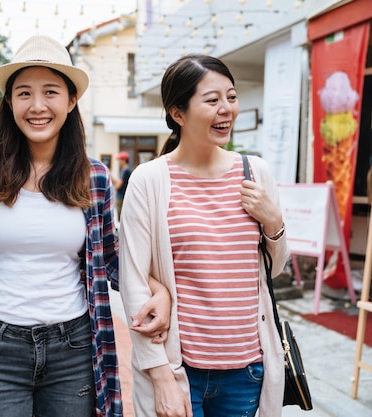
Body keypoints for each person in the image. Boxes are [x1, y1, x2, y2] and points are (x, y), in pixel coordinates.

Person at [0, 35, 169, 417]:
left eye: (51, 92)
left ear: (71, 100)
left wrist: (157, 288)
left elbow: (111, 257)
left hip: (72, 348)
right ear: (9, 103)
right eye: (24, 93)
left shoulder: (93, 176)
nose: (37, 106)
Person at [118, 55, 290, 417]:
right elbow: (134, 282)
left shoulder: (255, 172)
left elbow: (270, 273)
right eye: (212, 100)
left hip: (247, 369)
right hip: (180, 371)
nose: (226, 109)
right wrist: (161, 376)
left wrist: (274, 222)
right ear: (178, 113)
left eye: (231, 97)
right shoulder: (149, 180)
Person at [111, 151, 132, 219]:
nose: (118, 162)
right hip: (124, 197)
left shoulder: (125, 171)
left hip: (122, 198)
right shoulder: (125, 170)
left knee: (121, 219)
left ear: (124, 160)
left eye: (119, 160)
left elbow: (117, 186)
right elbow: (118, 183)